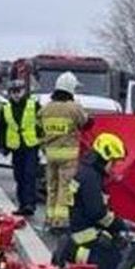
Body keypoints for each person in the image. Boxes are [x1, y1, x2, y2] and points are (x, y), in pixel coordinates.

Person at [53, 133, 129, 269]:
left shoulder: (85, 170)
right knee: (115, 263)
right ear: (105, 158)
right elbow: (97, 213)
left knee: (114, 248)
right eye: (114, 162)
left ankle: (72, 248)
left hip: (78, 227)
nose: (114, 167)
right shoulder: (91, 177)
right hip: (83, 233)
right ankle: (71, 251)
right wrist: (120, 224)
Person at [39, 71, 90, 229]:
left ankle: (49, 218)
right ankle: (60, 221)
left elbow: (38, 130)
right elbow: (86, 123)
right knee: (64, 188)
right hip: (68, 156)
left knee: (52, 187)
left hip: (50, 155)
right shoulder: (74, 108)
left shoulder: (45, 109)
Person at [0, 79, 42, 215]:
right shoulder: (6, 108)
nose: (16, 94)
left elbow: (41, 123)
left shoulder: (33, 105)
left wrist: (41, 138)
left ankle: (30, 204)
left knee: (29, 175)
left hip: (30, 146)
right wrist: (2, 146)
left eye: (19, 91)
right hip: (16, 148)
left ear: (24, 91)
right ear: (10, 93)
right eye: (13, 92)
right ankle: (22, 205)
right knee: (19, 176)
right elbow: (2, 129)